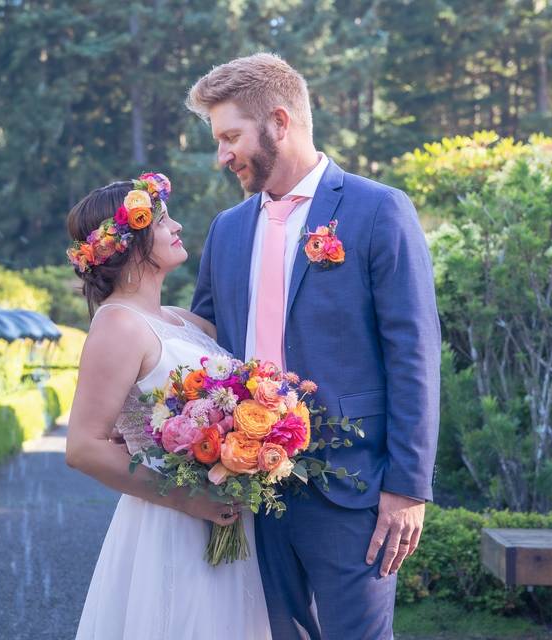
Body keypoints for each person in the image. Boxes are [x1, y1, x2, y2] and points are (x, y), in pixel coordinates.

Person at [186, 53, 442, 639]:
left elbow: (414, 356)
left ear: (278, 121)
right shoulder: (226, 230)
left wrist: (407, 487)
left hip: (353, 489)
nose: (221, 155)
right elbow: (201, 344)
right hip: (247, 488)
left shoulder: (379, 210)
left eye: (230, 136)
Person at [64, 175, 271, 639]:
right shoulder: (117, 325)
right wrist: (189, 498)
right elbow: (83, 446)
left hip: (226, 512)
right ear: (131, 243)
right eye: (161, 220)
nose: (176, 225)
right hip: (172, 523)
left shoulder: (180, 319)